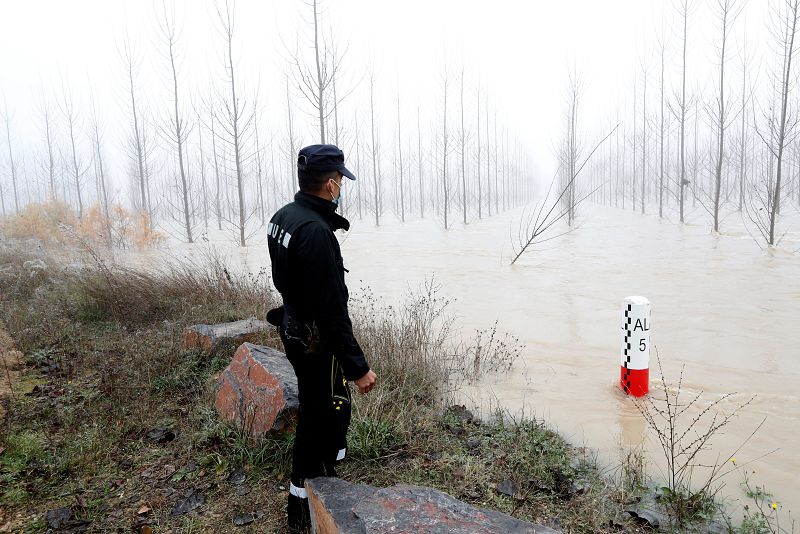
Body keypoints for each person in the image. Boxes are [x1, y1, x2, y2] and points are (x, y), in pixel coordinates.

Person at [266, 144, 378, 533]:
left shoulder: (284, 216)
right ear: (330, 185)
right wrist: (358, 367)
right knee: (317, 417)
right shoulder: (314, 232)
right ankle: (302, 509)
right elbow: (332, 313)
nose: (340, 189)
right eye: (339, 183)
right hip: (314, 340)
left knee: (332, 404)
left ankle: (332, 470)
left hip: (293, 329)